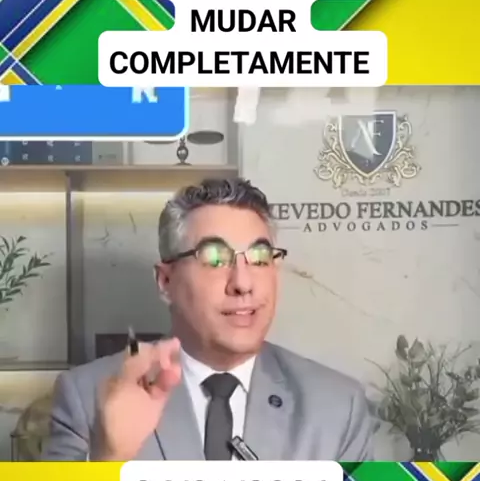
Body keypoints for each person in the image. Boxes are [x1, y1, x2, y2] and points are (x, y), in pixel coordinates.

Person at [41, 177, 375, 462]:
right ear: (166, 281)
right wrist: (108, 460)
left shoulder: (337, 407)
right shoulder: (86, 398)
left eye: (260, 257)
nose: (243, 284)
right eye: (215, 259)